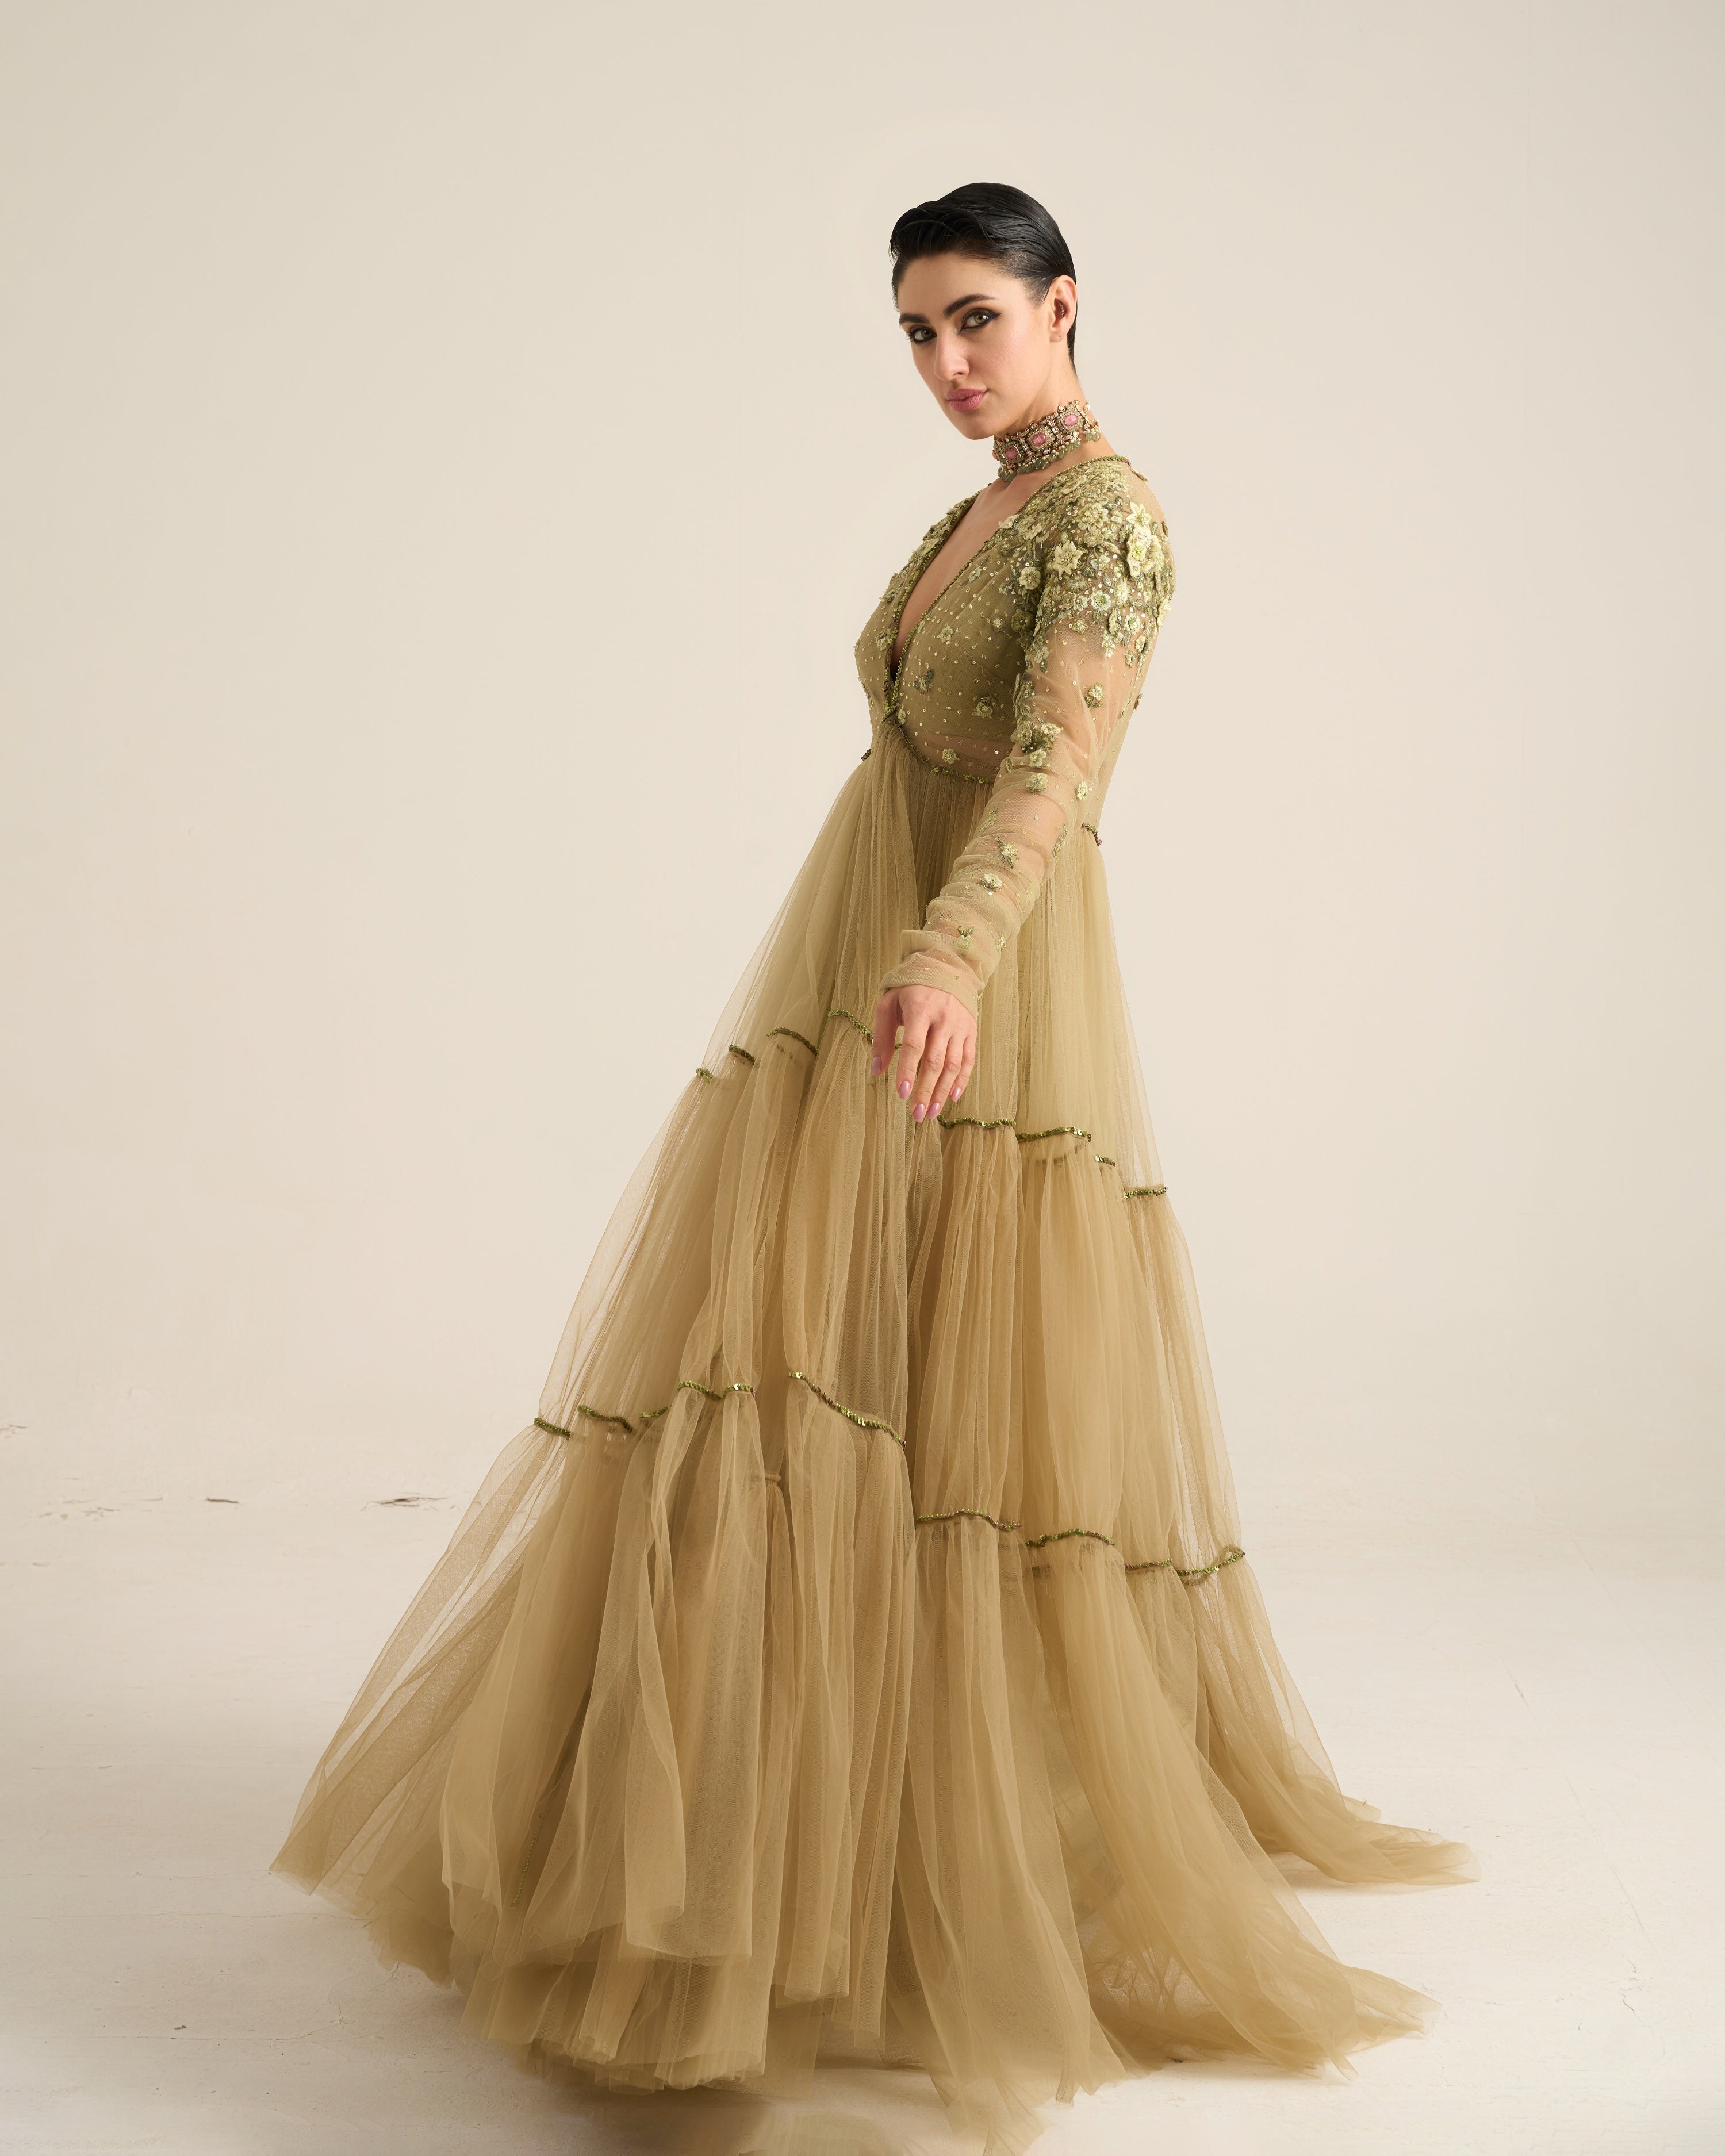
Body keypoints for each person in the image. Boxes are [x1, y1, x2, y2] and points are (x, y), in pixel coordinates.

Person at [271, 181, 1476, 2155]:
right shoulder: (984, 504)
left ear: (1066, 304)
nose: (946, 361)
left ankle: (944, 1840)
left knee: (939, 1388)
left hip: (970, 967)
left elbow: (1059, 764)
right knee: (795, 1364)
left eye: (977, 317)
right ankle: (771, 1816)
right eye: (918, 331)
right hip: (866, 944)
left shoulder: (1108, 517)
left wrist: (952, 957)